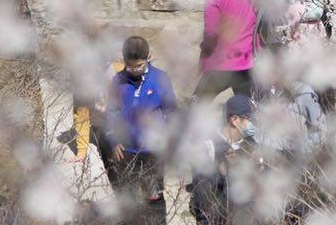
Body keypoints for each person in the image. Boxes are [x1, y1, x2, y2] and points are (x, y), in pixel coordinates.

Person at [105, 36, 177, 223]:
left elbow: (171, 112)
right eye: (131, 67)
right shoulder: (118, 80)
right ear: (124, 61)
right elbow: (112, 111)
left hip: (152, 151)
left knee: (153, 197)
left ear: (148, 58)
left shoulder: (161, 79)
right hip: (126, 152)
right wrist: (114, 140)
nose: (135, 71)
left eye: (139, 66)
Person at [268, 0, 328, 142]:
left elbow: (317, 10)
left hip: (304, 40)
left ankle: (315, 131)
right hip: (283, 37)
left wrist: (292, 11)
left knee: (302, 84)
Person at [188, 94, 259, 225]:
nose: (254, 125)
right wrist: (223, 172)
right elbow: (203, 195)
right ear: (235, 119)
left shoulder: (252, 145)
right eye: (250, 120)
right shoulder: (208, 148)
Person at [196, 0, 258, 100]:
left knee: (197, 107)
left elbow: (211, 32)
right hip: (245, 63)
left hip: (220, 64)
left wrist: (204, 49)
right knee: (248, 112)